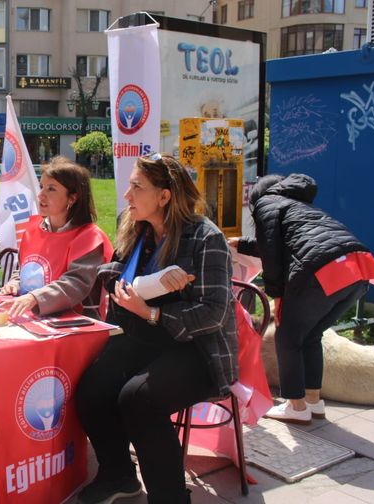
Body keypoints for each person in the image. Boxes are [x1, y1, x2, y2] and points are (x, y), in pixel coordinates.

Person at [75, 153, 237, 504]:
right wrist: (147, 285)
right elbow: (111, 270)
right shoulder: (137, 228)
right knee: (91, 390)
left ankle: (171, 498)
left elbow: (213, 313)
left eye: (137, 187)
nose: (127, 195)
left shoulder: (206, 238)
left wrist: (152, 312)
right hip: (144, 337)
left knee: (138, 399)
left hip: (198, 349)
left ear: (165, 196)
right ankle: (119, 476)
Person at [229, 173, 374, 424]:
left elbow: (271, 251)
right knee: (311, 336)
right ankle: (313, 402)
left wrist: (277, 295)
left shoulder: (266, 203)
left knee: (288, 337)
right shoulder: (298, 205)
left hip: (321, 269)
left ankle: (295, 405)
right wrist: (243, 244)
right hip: (357, 267)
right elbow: (285, 243)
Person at [0, 156, 113, 319]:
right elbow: (26, 268)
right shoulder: (33, 228)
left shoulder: (89, 238)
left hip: (74, 328)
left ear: (72, 198)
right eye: (41, 187)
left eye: (51, 189)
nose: (41, 195)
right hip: (30, 318)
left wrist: (34, 298)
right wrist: (15, 283)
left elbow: (75, 284)